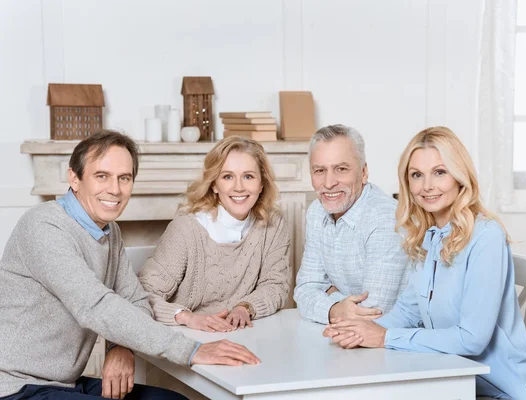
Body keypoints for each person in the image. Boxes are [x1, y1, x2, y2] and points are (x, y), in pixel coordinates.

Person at [0, 131, 259, 400]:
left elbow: (135, 299)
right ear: (74, 179)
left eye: (124, 178)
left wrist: (120, 347)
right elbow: (94, 305)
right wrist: (191, 351)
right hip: (16, 387)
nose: (114, 189)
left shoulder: (109, 232)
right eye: (102, 176)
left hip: (64, 383)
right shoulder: (44, 227)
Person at [323, 126, 526, 400]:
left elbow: (472, 338)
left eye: (440, 172)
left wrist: (384, 338)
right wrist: (358, 332)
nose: (427, 186)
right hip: (455, 383)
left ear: (460, 176)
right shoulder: (427, 237)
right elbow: (409, 313)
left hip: (510, 391)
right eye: (416, 175)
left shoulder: (487, 236)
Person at [139, 136, 291, 332]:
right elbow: (143, 294)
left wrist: (245, 307)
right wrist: (187, 318)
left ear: (261, 184)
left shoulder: (274, 224)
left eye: (248, 176)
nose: (239, 187)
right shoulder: (187, 228)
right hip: (185, 334)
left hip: (243, 333)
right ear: (214, 185)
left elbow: (276, 285)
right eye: (227, 176)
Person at [294, 124, 411, 325]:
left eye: (341, 169)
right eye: (320, 170)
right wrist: (334, 309)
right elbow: (304, 289)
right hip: (347, 338)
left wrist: (330, 294)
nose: (329, 183)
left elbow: (373, 313)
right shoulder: (316, 212)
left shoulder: (385, 218)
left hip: (395, 342)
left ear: (363, 172)